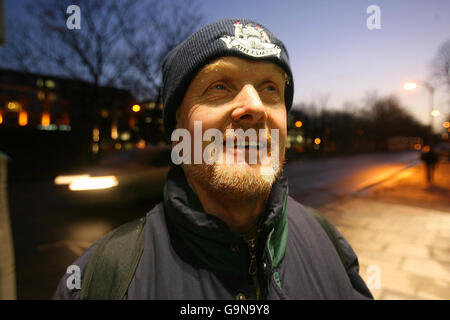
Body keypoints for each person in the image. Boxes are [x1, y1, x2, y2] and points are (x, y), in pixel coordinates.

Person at [53, 18, 373, 300]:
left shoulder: (329, 243)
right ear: (178, 126)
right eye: (219, 85)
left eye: (270, 88)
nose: (255, 106)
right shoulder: (101, 280)